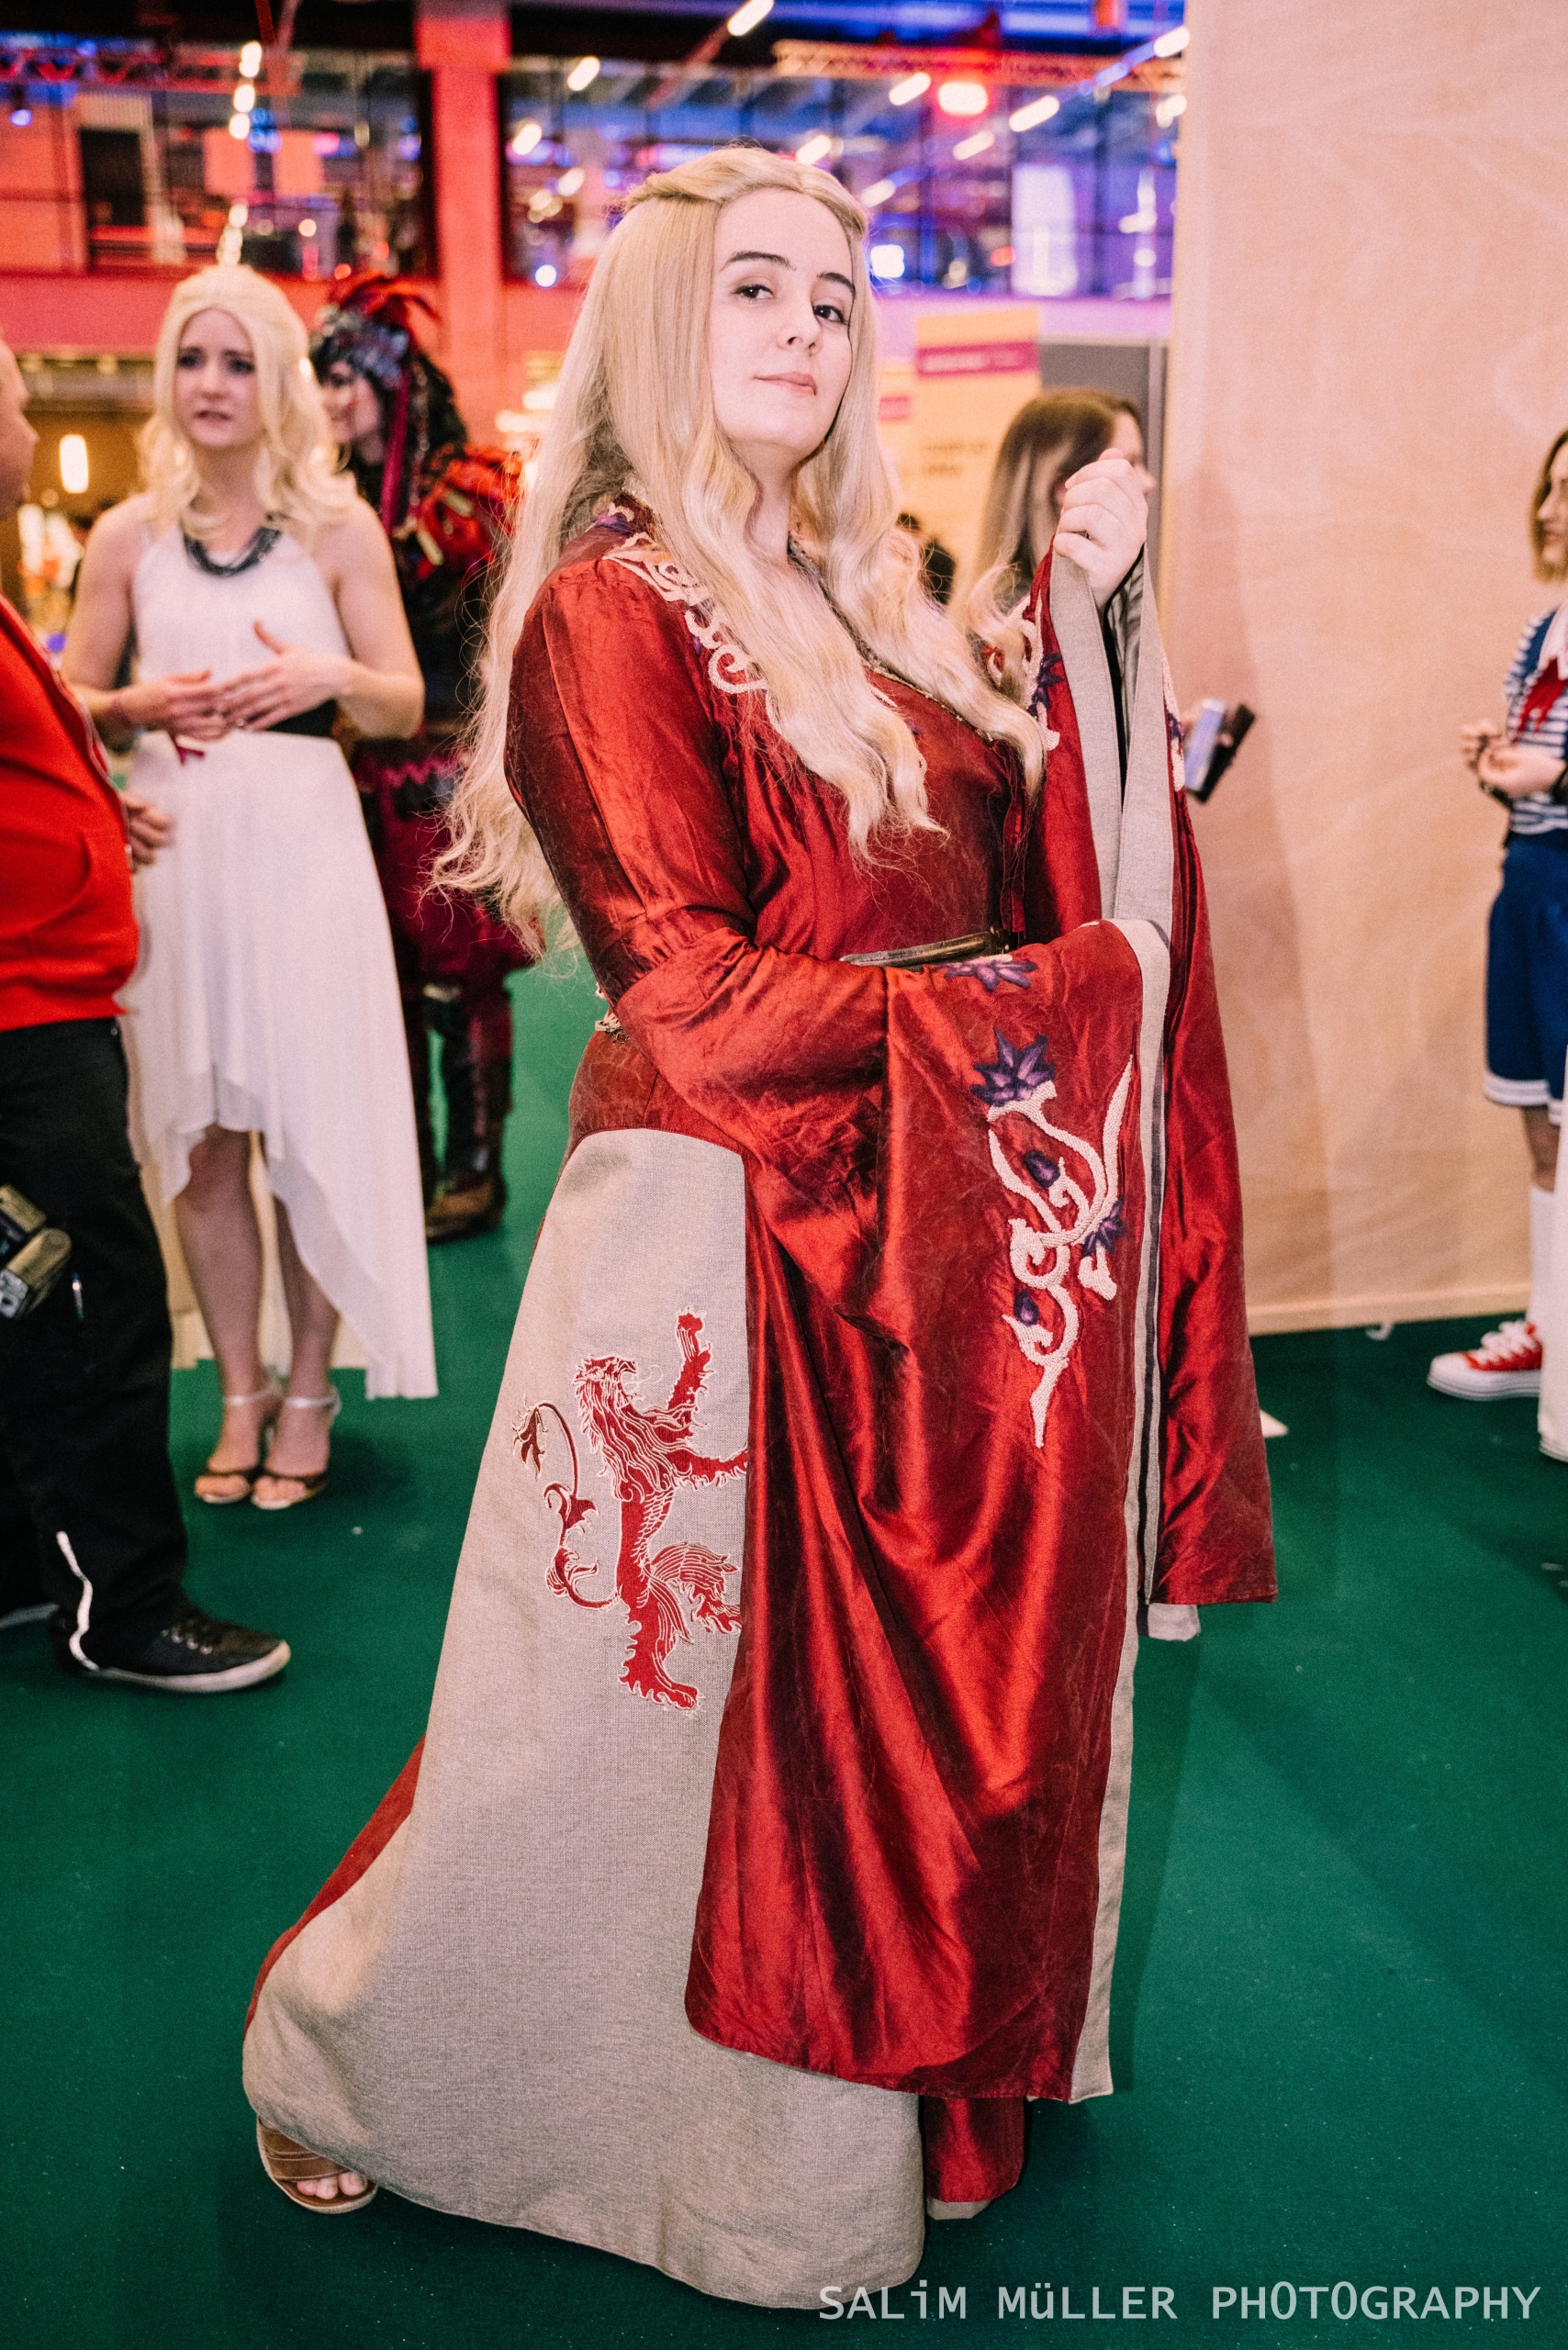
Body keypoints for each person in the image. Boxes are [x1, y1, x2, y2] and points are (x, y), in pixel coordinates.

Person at [242, 151, 1273, 2299]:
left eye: (832, 296)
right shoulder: (606, 609)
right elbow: (689, 989)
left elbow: (1011, 863)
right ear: (653, 321)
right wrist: (1032, 1006)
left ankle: (882, 2096)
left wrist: (1086, 631)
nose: (806, 327)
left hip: (914, 1221)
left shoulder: (861, 593)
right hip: (717, 1237)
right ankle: (370, 2059)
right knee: (613, 1726)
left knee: (883, 1709)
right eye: (755, 290)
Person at [62, 265, 436, 1514]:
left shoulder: (339, 529)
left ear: (278, 379)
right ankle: (238, 1387)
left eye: (237, 361)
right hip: (180, 858)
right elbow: (69, 703)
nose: (211, 384)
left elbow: (405, 700)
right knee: (204, 1143)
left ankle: (312, 1387)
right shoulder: (127, 536)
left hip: (304, 854)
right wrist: (130, 707)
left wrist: (329, 677)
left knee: (305, 1131)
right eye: (190, 358)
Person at [0, 331, 288, 1691]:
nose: (25, 429)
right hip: (20, 1015)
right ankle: (124, 1608)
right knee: (90, 1305)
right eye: (16, 407)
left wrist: (88, 779)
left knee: (39, 1296)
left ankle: (31, 1567)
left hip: (47, 998)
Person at [310, 275, 540, 1243]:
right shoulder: (324, 503)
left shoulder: (474, 492)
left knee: (459, 977)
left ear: (390, 383)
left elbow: (520, 627)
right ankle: (402, 1167)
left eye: (345, 379)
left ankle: (474, 1172)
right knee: (381, 980)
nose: (330, 399)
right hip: (353, 768)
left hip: (445, 764)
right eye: (322, 381)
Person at [1428, 428, 1568, 1407]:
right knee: (1539, 1121)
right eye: (1549, 488)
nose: (1549, 510)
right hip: (1528, 881)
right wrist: (1502, 767)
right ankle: (1549, 1327)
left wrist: (1552, 776)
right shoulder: (1543, 628)